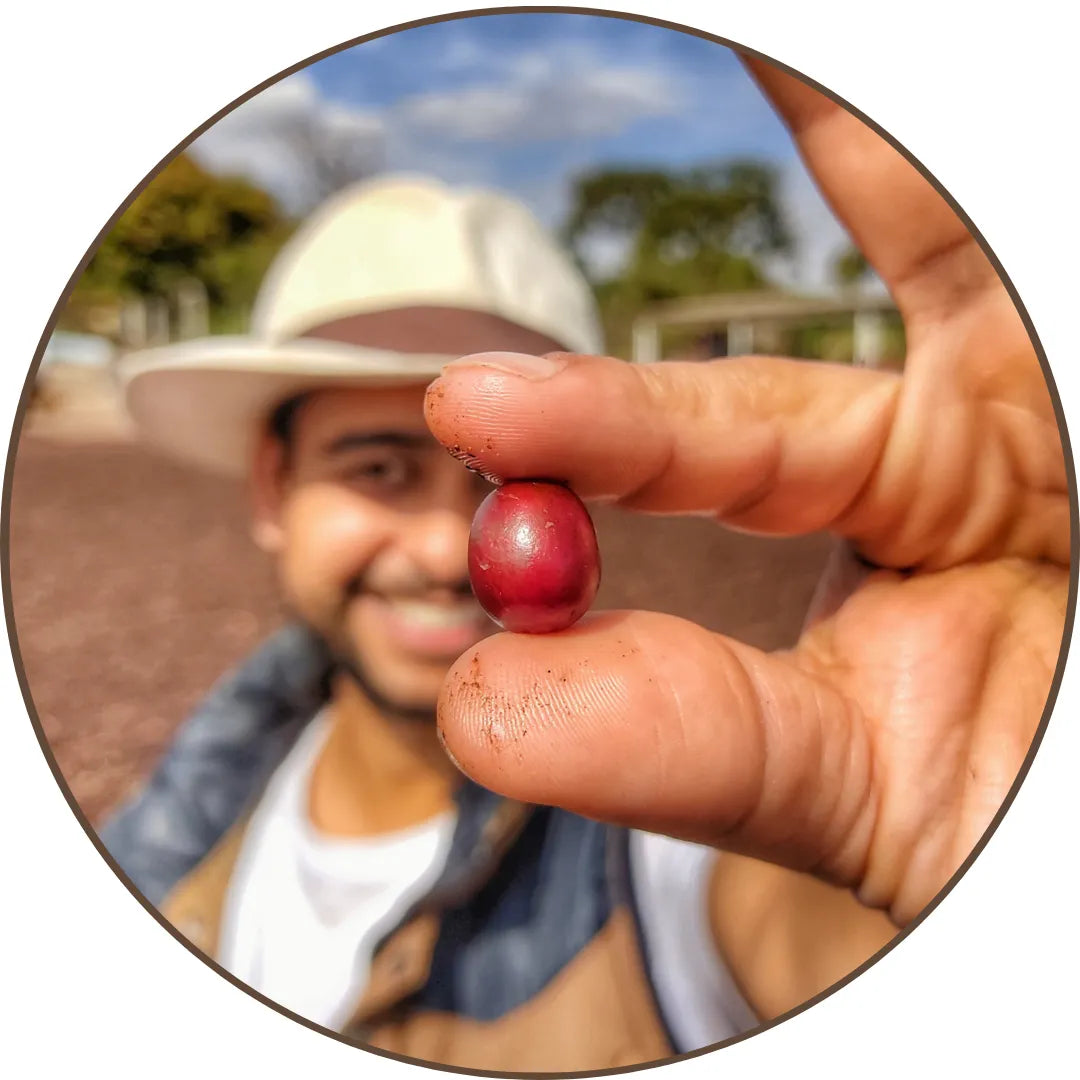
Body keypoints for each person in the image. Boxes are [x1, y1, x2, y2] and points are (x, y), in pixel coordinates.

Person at [98, 57, 1065, 1073]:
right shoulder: (161, 846)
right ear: (271, 486)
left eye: (499, 484)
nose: (442, 552)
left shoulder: (676, 842)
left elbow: (822, 934)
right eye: (376, 467)